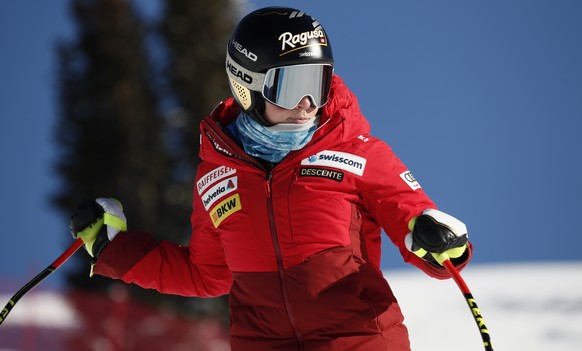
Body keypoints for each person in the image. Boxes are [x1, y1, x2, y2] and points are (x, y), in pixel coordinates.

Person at [70, 6, 472, 351]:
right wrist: (114, 248)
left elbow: (414, 218)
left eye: (317, 83)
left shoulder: (358, 153)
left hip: (357, 339)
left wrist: (439, 240)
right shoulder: (217, 176)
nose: (307, 104)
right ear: (248, 86)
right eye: (291, 86)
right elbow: (207, 275)